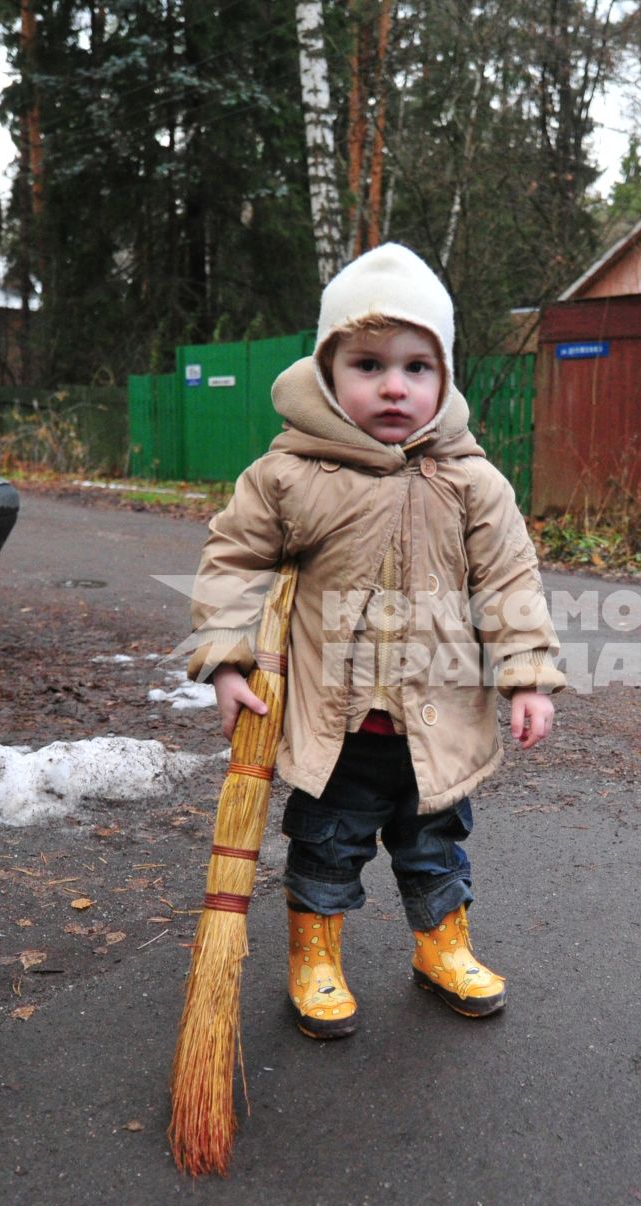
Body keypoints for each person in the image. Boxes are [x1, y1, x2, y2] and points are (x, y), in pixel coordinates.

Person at [183, 243, 563, 1039]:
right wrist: (226, 660)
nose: (394, 385)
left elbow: (509, 584)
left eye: (418, 367)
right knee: (327, 848)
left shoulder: (471, 481)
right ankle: (315, 957)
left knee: (437, 851)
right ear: (327, 371)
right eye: (368, 364)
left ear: (445, 377)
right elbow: (233, 563)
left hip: (442, 724)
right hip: (336, 728)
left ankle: (440, 947)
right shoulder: (290, 475)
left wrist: (527, 677)